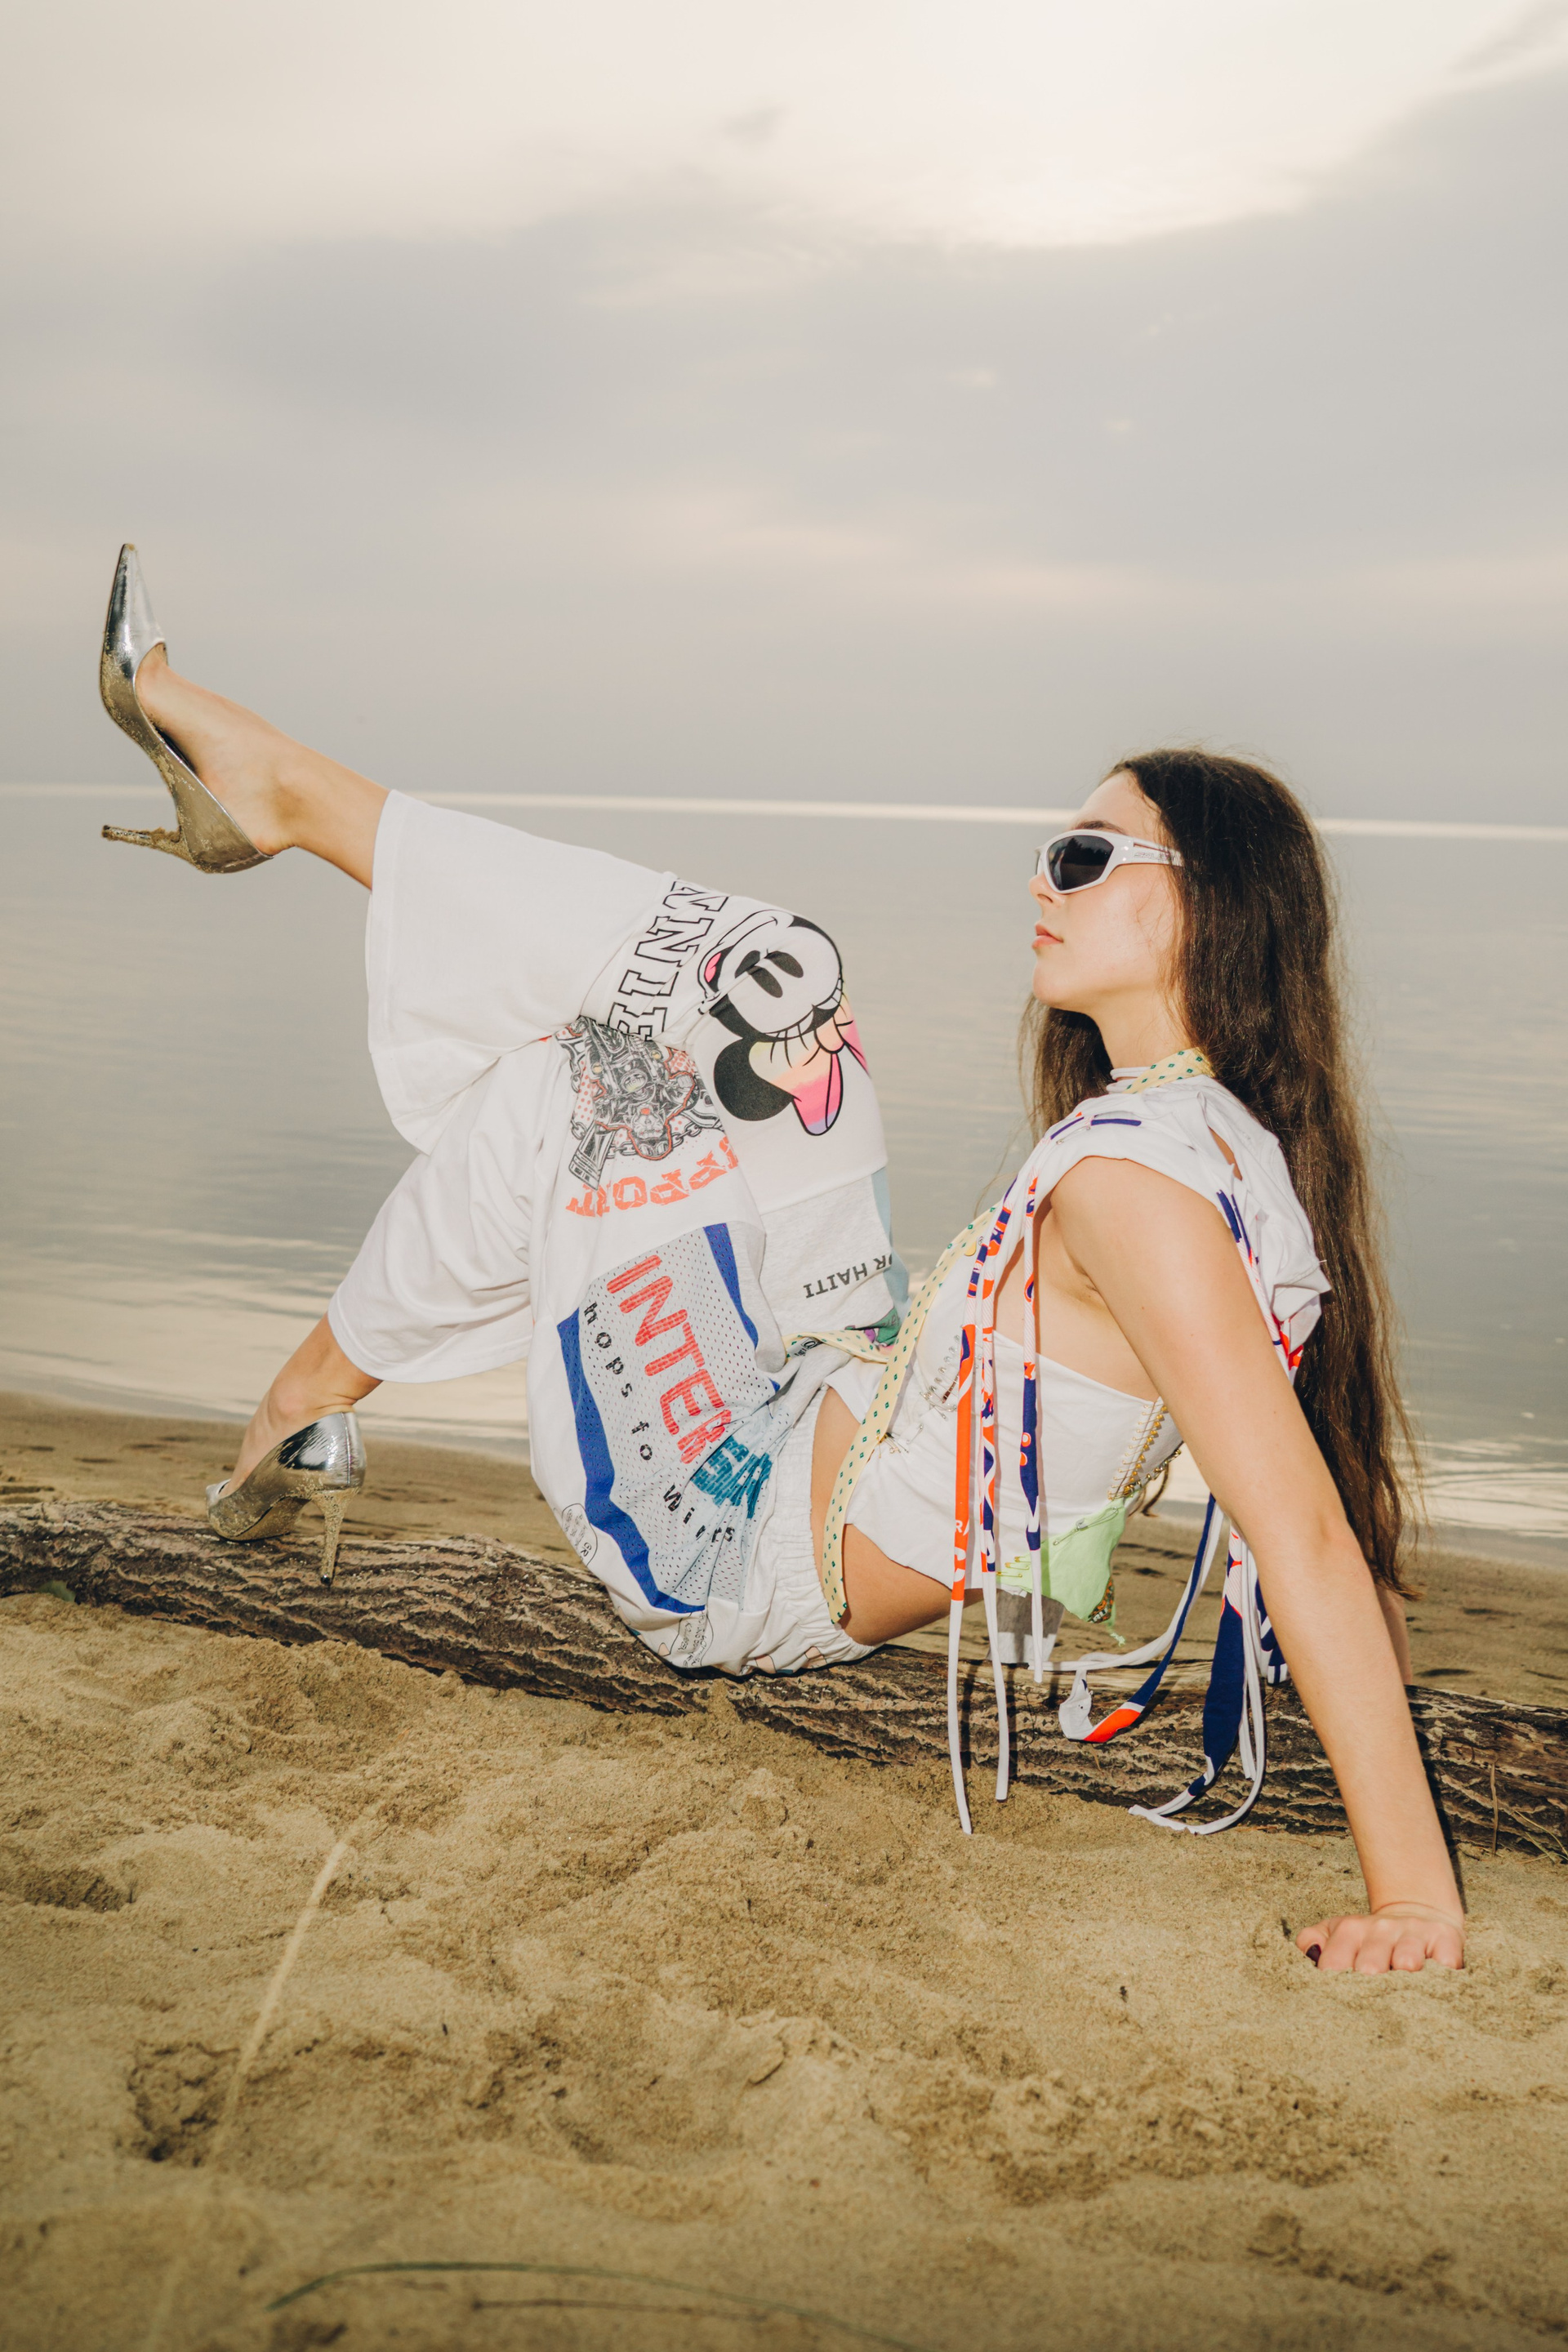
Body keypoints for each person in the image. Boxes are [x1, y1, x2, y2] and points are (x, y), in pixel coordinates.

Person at [98, 544, 1465, 1976]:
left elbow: (1304, 1533)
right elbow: (1330, 1501)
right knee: (775, 982)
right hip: (818, 1389)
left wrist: (1415, 1899)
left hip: (733, 1540)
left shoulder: (1140, 1189)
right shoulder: (1220, 1143)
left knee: (583, 1080)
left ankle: (300, 1396)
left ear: (1203, 905)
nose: (1040, 881)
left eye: (1084, 857)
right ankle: (290, 804)